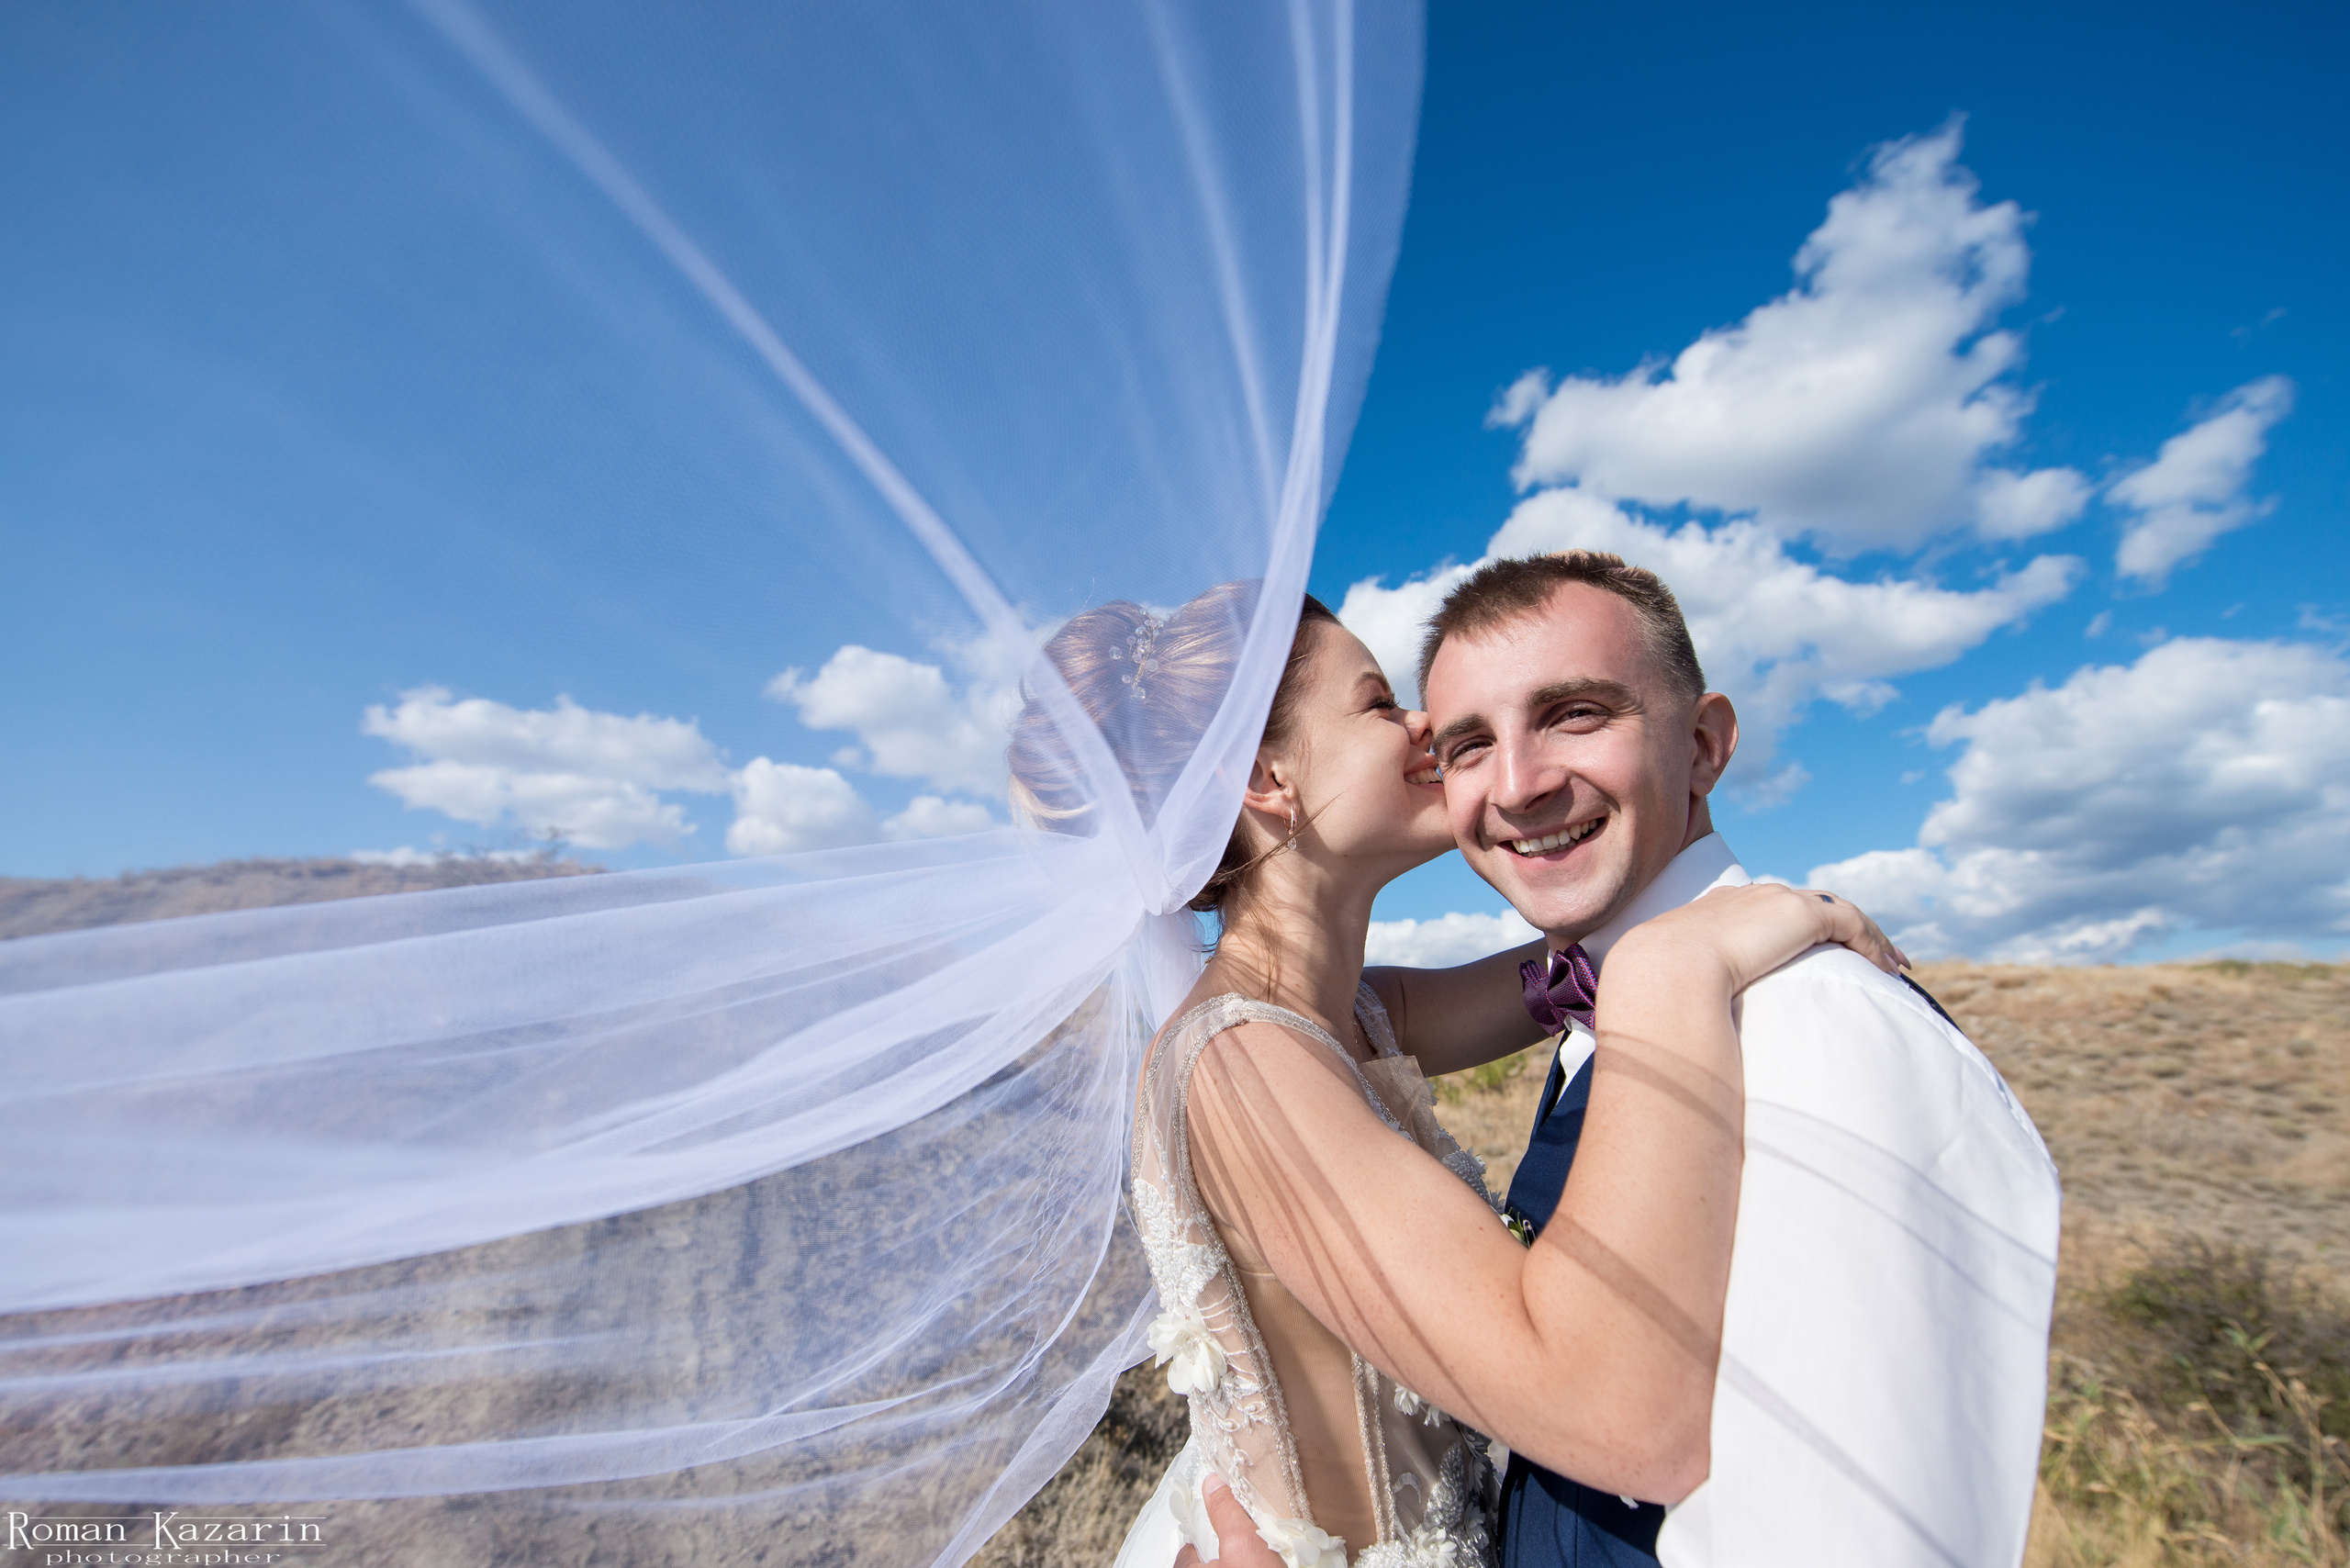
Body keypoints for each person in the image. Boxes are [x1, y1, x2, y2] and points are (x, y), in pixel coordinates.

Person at [1006, 581, 1910, 1568]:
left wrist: (1720, 907)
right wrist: (1677, 968)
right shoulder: (1243, 1067)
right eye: (1376, 701)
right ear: (1266, 777)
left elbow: (1559, 974)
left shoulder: (1354, 1011)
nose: (1426, 724)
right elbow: (1610, 1410)